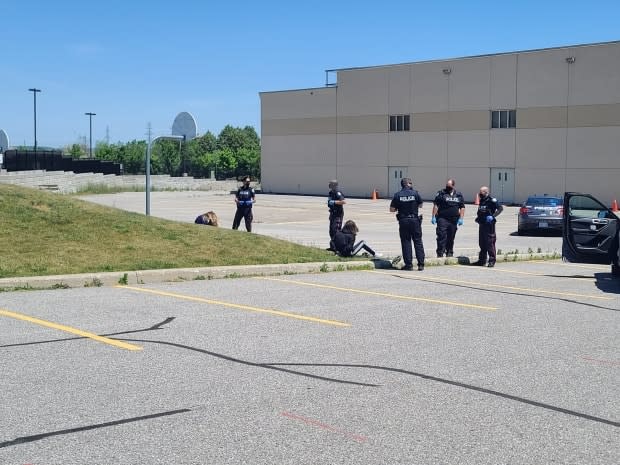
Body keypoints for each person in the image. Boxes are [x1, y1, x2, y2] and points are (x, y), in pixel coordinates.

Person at [390, 177, 425, 271]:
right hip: (415, 220)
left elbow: (392, 209)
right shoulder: (415, 193)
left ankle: (409, 265)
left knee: (406, 242)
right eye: (411, 183)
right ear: (408, 184)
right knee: (418, 242)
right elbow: (421, 205)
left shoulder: (397, 195)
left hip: (404, 221)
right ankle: (421, 264)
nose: (412, 184)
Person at [432, 178, 465, 257]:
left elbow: (462, 207)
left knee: (451, 237)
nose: (447, 187)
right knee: (441, 235)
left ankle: (449, 252)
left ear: (453, 186)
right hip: (442, 218)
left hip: (453, 219)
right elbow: (436, 205)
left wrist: (461, 218)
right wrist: (433, 216)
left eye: (449, 186)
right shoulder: (441, 193)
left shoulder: (458, 194)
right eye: (447, 185)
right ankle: (440, 253)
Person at [473, 185, 503, 267]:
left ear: (486, 192)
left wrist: (493, 216)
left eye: (481, 192)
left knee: (490, 242)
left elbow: (500, 208)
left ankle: (492, 260)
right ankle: (482, 260)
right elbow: (481, 211)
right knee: (482, 243)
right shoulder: (482, 200)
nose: (479, 193)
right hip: (482, 224)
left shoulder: (492, 200)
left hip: (489, 224)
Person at [327, 179, 346, 250]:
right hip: (333, 213)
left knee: (336, 230)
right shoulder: (330, 193)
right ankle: (333, 246)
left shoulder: (338, 193)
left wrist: (334, 202)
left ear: (334, 185)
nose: (329, 185)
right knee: (331, 230)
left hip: (338, 214)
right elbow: (329, 202)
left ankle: (338, 247)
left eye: (330, 184)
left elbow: (343, 201)